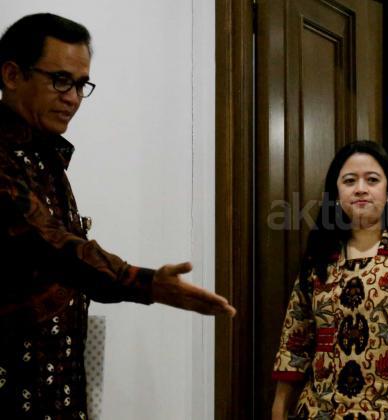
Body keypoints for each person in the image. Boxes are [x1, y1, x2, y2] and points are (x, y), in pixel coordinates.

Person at [0, 13, 235, 419]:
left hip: (54, 390)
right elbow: (50, 244)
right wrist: (145, 283)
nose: (73, 98)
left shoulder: (45, 155)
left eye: (80, 84)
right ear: (12, 74)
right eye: (60, 80)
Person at [271, 141, 388, 419]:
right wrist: (279, 406)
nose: (361, 188)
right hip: (321, 409)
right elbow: (295, 336)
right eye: (349, 180)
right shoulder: (320, 256)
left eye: (372, 180)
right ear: (336, 193)